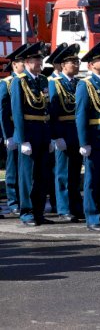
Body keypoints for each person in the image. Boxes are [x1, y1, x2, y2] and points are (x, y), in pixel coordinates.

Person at [11, 42, 53, 226]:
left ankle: (38, 211)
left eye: (40, 59)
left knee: (42, 175)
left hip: (43, 132)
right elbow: (18, 112)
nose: (39, 63)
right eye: (36, 59)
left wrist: (50, 136)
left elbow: (47, 109)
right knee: (28, 176)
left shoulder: (42, 80)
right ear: (27, 62)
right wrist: (22, 139)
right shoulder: (19, 81)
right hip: (29, 132)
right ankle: (26, 212)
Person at [76, 41, 100, 233]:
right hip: (95, 137)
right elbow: (81, 114)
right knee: (93, 180)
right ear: (91, 65)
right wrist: (84, 141)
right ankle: (92, 217)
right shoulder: (85, 84)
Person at [49, 44, 83, 223]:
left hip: (77, 131)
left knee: (75, 172)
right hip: (63, 130)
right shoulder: (54, 83)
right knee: (63, 172)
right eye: (72, 62)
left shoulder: (78, 83)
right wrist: (56, 136)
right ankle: (63, 208)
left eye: (77, 62)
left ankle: (76, 206)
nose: (76, 65)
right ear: (63, 65)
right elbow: (52, 112)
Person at [1, 44, 29, 216]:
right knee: (12, 168)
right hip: (13, 130)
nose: (24, 65)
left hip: (27, 130)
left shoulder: (29, 82)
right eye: (21, 63)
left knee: (25, 169)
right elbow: (3, 111)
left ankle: (23, 199)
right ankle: (13, 201)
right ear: (14, 65)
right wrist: (7, 135)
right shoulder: (7, 83)